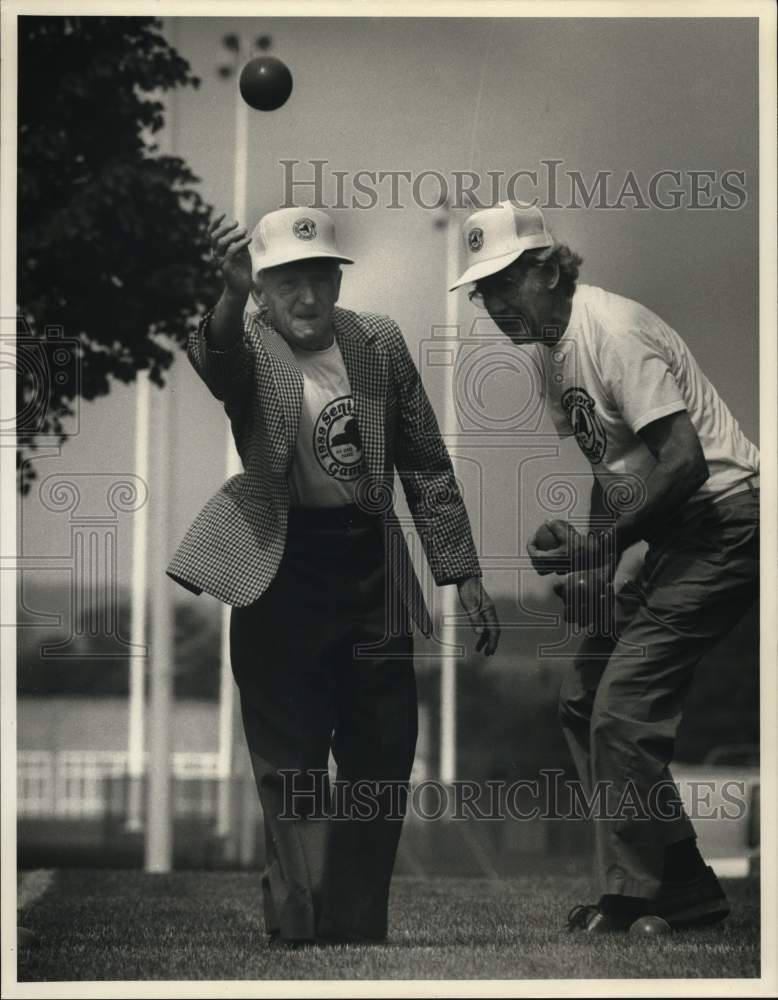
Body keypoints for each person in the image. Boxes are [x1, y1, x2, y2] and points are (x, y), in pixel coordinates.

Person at [167, 205, 500, 946]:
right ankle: (298, 918)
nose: (308, 299)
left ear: (338, 281)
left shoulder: (377, 342)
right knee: (289, 761)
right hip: (279, 564)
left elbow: (425, 461)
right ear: (263, 290)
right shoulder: (249, 346)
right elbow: (214, 364)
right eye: (287, 283)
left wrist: (463, 573)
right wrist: (226, 298)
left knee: (383, 750)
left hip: (368, 565)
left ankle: (353, 927)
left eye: (320, 279)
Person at [449, 200, 759, 932]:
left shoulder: (610, 330)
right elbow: (612, 469)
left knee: (622, 710)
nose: (494, 303)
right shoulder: (549, 357)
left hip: (725, 521)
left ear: (551, 269)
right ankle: (685, 884)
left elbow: (683, 462)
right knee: (586, 700)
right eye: (482, 291)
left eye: (506, 281)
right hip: (676, 532)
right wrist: (592, 570)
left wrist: (605, 547)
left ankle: (630, 898)